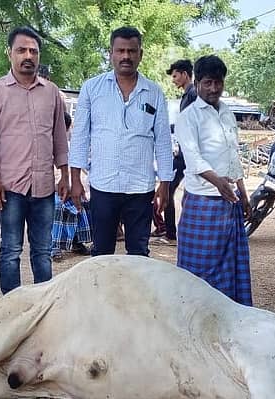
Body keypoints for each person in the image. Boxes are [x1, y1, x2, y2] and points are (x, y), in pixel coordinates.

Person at [68, 26, 174, 257]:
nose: (126, 56)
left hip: (141, 187)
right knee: (102, 253)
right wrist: (75, 180)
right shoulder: (92, 88)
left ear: (140, 54)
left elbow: (164, 140)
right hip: (103, 186)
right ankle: (99, 295)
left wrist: (165, 183)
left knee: (138, 254)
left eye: (131, 51)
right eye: (120, 50)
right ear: (111, 53)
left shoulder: (153, 92)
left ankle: (136, 295)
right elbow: (80, 136)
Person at [0, 27, 69, 295]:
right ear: (10, 54)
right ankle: (11, 311)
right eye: (21, 50)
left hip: (43, 186)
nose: (28, 56)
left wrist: (65, 175)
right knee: (10, 251)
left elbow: (59, 138)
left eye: (33, 51)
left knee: (43, 252)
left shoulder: (52, 92)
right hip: (10, 187)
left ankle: (41, 310)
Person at [175, 55, 252, 306]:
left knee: (231, 267)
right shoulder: (188, 117)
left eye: (218, 82)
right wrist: (218, 182)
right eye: (208, 83)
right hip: (203, 203)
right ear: (197, 83)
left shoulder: (228, 113)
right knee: (199, 273)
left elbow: (233, 156)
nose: (213, 88)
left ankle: (231, 318)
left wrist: (243, 193)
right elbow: (194, 159)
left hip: (230, 202)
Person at [151, 59, 198, 244]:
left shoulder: (193, 94)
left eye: (175, 75)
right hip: (184, 153)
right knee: (167, 189)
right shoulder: (188, 95)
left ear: (185, 74)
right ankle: (169, 231)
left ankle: (171, 233)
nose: (173, 80)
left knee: (170, 190)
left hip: (190, 155)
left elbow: (192, 123)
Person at [51, 112, 92, 260]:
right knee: (58, 206)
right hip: (53, 191)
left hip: (73, 189)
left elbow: (83, 171)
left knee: (83, 203)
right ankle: (54, 246)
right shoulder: (47, 146)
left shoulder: (75, 147)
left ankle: (77, 242)